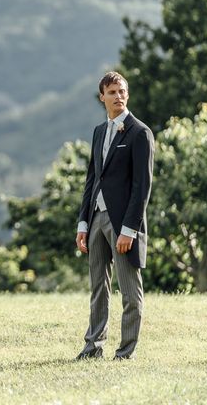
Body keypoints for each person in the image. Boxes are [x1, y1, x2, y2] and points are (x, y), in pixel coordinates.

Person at [75, 71, 154, 360]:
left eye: (122, 91)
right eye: (112, 92)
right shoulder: (99, 132)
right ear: (102, 97)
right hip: (96, 218)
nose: (118, 96)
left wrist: (129, 230)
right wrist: (83, 222)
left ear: (127, 95)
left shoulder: (140, 132)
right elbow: (91, 180)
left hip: (123, 225)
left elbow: (141, 186)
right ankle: (93, 347)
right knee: (98, 287)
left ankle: (126, 351)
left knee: (130, 291)